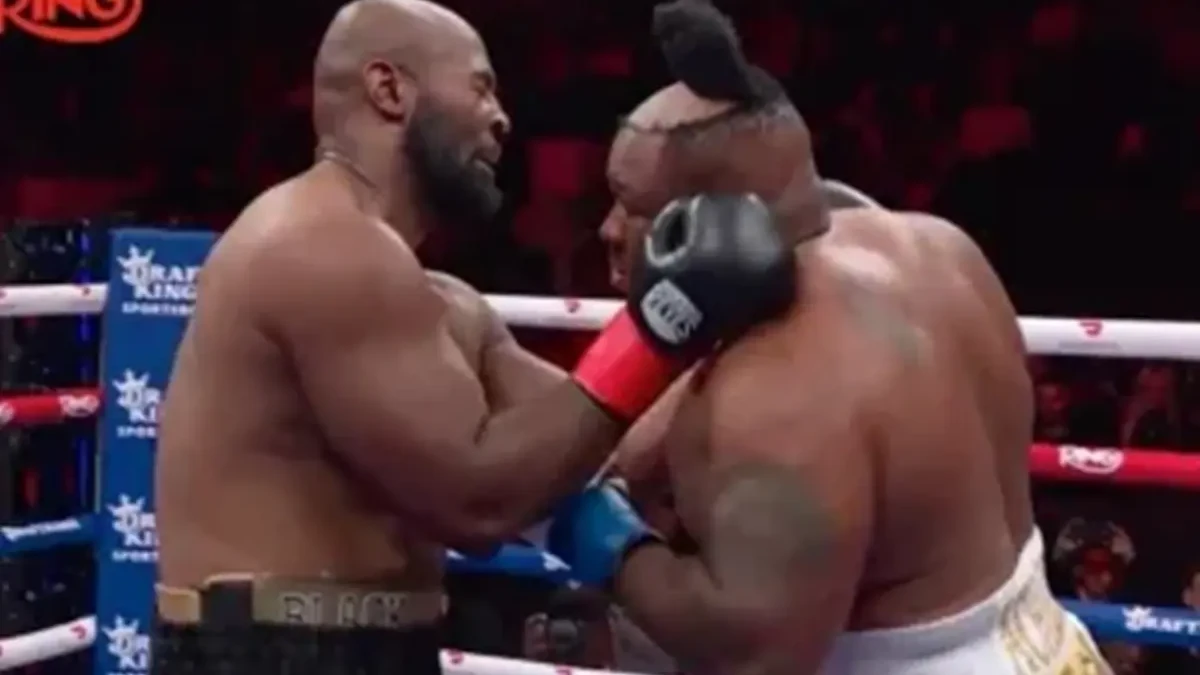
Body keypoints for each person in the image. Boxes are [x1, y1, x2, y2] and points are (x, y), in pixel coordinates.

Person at [152, 0, 796, 673]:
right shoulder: (319, 245)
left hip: (380, 646)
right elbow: (477, 503)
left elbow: (607, 444)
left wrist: (724, 328)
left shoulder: (442, 303)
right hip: (264, 653)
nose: (501, 117)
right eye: (481, 87)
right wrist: (657, 328)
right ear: (390, 89)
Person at [548, 2, 1113, 673]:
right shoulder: (941, 249)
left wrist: (612, 545)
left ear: (708, 223)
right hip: (1050, 645)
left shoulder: (774, 389)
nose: (609, 229)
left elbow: (759, 654)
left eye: (633, 205)